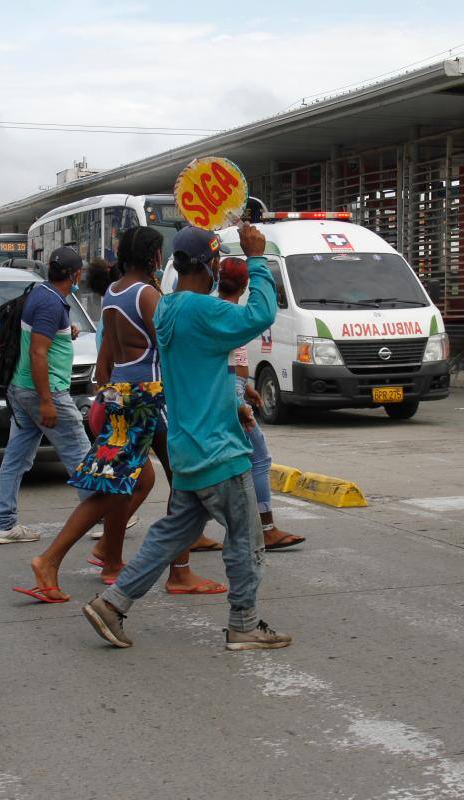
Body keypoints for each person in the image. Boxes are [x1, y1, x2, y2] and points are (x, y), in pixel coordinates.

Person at [82, 224, 293, 652]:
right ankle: (244, 623)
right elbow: (261, 315)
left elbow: (196, 372)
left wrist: (231, 404)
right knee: (246, 539)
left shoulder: (169, 309)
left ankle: (113, 602)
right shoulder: (202, 310)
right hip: (219, 452)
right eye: (216, 261)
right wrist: (257, 258)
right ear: (210, 265)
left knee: (170, 535)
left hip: (186, 448)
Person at [21, 227, 220, 599]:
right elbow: (173, 345)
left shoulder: (114, 292)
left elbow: (108, 353)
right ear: (154, 258)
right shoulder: (146, 294)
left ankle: (108, 556)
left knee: (129, 483)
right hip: (151, 397)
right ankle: (175, 572)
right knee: (178, 480)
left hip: (121, 394)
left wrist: (102, 392)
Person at [0, 246, 94, 544]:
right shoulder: (50, 304)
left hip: (20, 389)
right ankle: (100, 516)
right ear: (75, 275)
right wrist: (47, 401)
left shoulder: (41, 294)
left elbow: (41, 336)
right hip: (43, 391)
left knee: (16, 458)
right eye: (79, 273)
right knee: (80, 454)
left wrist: (67, 331)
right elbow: (38, 352)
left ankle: (4, 524)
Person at [216, 257, 305, 551]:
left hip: (237, 387)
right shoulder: (231, 313)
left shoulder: (219, 311)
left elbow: (228, 359)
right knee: (258, 458)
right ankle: (265, 527)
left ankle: (193, 533)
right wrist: (237, 395)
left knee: (226, 461)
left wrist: (248, 386)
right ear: (244, 285)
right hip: (232, 391)